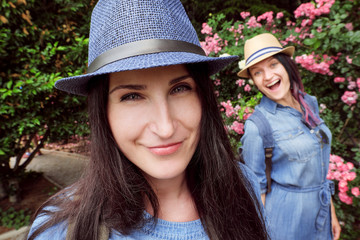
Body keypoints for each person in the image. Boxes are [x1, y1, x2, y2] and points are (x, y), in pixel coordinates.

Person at [27, 1, 269, 240]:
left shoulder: (241, 184)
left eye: (180, 89)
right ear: (103, 111)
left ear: (203, 96)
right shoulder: (61, 231)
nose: (165, 128)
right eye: (132, 96)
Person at [238, 33, 341, 240]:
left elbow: (320, 167)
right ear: (254, 82)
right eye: (258, 72)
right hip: (285, 221)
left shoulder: (309, 103)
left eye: (273, 65)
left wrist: (332, 213)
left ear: (287, 65)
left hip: (319, 213)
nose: (267, 76)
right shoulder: (258, 126)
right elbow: (257, 192)